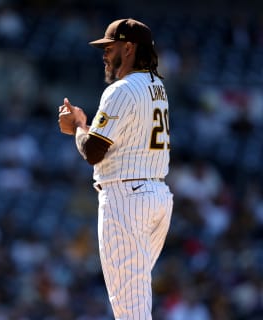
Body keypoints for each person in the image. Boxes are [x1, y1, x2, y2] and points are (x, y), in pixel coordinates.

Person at [58, 18, 173, 319]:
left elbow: (93, 151)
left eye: (110, 47)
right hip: (157, 195)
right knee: (135, 295)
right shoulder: (157, 86)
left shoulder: (121, 89)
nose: (105, 54)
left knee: (131, 311)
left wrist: (79, 125)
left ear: (129, 47)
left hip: (127, 198)